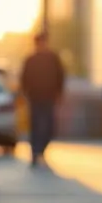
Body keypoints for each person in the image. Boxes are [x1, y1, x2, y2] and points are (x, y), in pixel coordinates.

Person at [19, 32, 66, 166]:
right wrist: (25, 93)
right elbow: (24, 78)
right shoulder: (31, 59)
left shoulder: (53, 59)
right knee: (35, 125)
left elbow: (60, 76)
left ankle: (41, 149)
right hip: (35, 97)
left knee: (49, 125)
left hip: (49, 97)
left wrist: (59, 94)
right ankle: (35, 152)